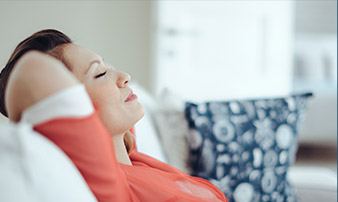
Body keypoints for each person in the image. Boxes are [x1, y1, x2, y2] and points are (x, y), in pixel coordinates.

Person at [0, 29, 228, 202]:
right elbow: (33, 74)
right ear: (75, 105)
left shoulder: (133, 157)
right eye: (99, 73)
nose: (124, 76)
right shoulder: (111, 184)